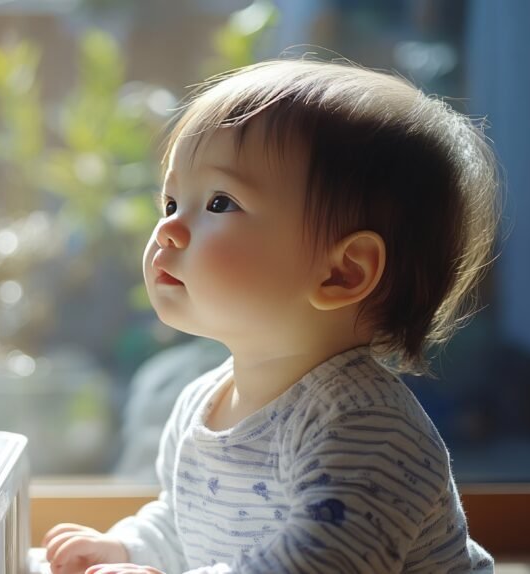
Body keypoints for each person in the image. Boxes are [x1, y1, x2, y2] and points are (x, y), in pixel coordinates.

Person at [42, 58, 499, 573]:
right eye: (171, 202)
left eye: (219, 203)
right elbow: (185, 520)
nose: (168, 230)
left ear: (342, 273)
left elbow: (313, 567)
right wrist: (129, 547)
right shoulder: (201, 400)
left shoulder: (365, 429)